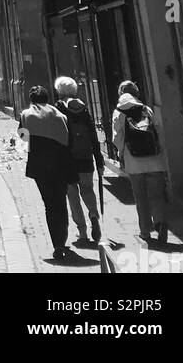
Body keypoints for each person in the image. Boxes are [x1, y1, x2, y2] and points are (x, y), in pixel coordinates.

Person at [19, 85, 74, 260]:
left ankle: (56, 244)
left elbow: (22, 136)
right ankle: (62, 239)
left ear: (31, 100)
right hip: (61, 164)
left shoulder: (26, 115)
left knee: (49, 204)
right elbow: (69, 141)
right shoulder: (61, 115)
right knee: (60, 201)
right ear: (47, 98)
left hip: (40, 166)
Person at [111, 80, 168, 246]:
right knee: (157, 195)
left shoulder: (118, 112)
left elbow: (117, 138)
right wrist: (159, 151)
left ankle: (145, 231)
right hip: (154, 160)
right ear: (136, 93)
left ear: (121, 94)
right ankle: (161, 222)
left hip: (133, 161)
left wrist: (122, 154)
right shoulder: (145, 109)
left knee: (140, 196)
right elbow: (158, 130)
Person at [54, 76, 104, 246]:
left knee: (72, 196)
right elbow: (93, 136)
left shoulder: (59, 108)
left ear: (59, 91)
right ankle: (93, 214)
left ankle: (82, 231)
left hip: (68, 160)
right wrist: (99, 159)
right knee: (88, 190)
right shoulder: (83, 109)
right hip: (86, 158)